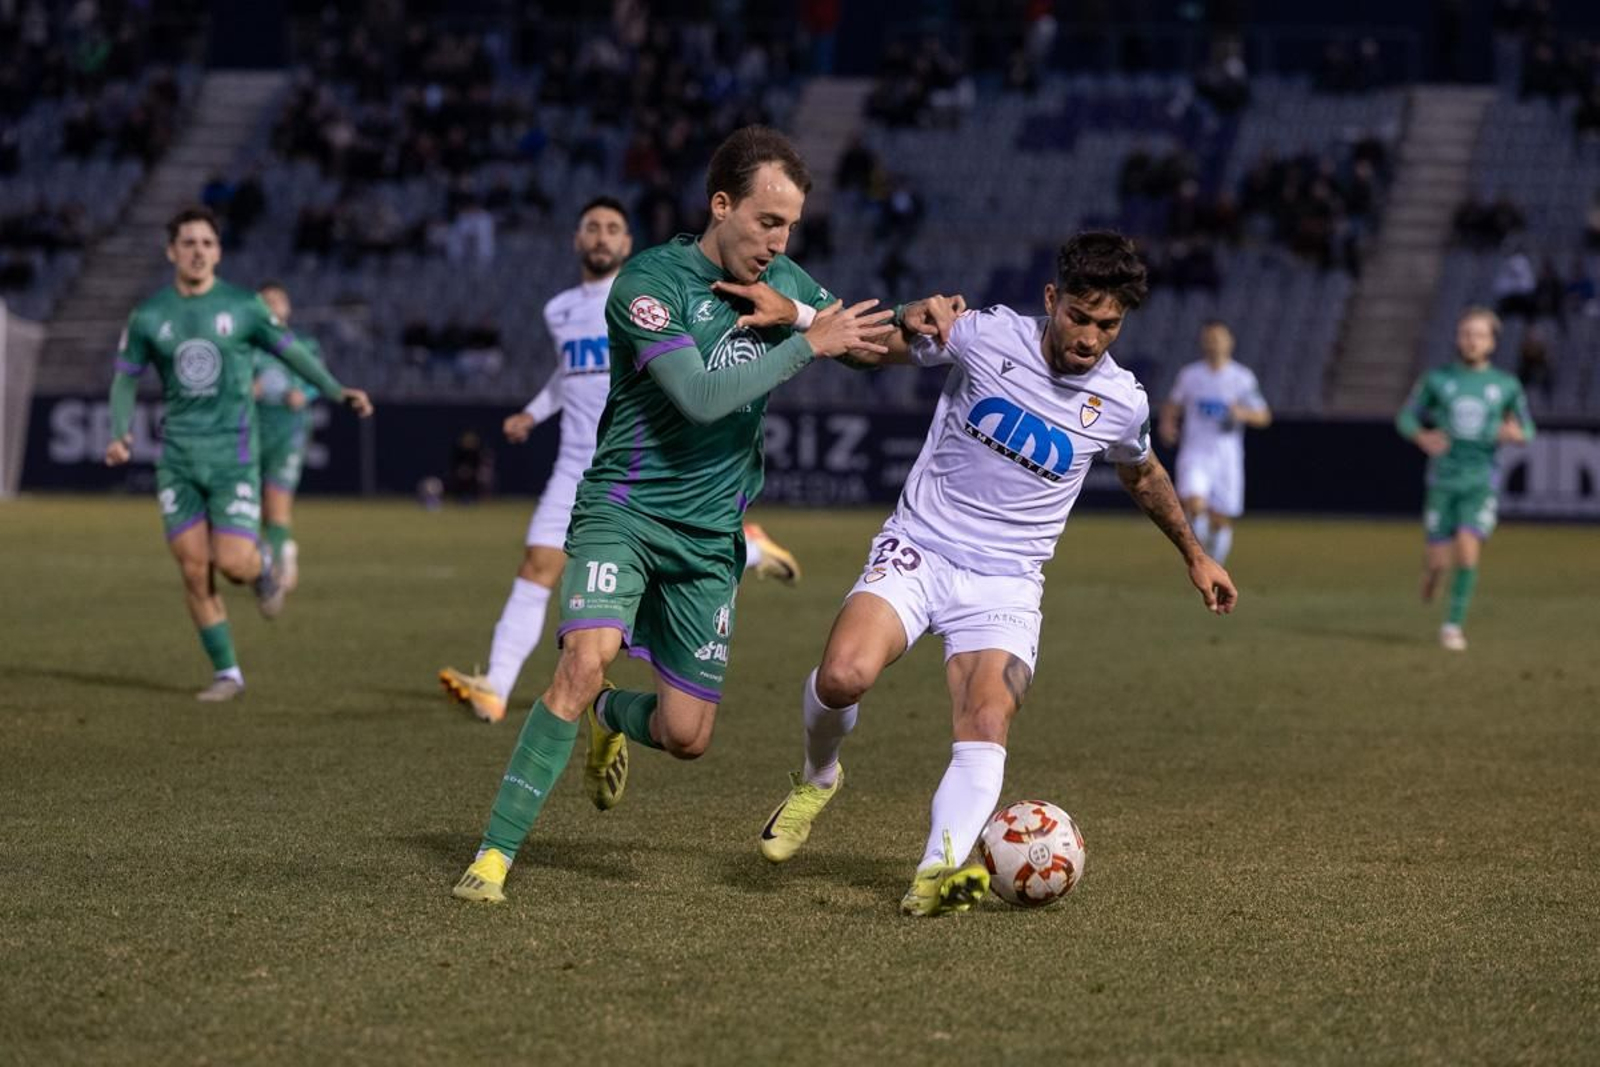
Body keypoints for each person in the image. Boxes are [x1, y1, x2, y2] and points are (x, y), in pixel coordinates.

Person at [452, 125, 911, 904]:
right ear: (721, 205)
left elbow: (866, 339)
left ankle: (608, 714)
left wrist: (922, 320)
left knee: (685, 735)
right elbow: (700, 397)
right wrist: (808, 341)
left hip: (709, 538)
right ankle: (493, 856)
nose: (780, 242)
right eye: (768, 221)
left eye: (792, 226)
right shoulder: (649, 284)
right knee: (582, 659)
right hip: (625, 511)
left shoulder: (784, 279)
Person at [754, 232, 1238, 917]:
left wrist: (1194, 553)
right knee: (842, 677)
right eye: (1079, 316)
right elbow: (871, 352)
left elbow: (1143, 472)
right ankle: (818, 777)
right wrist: (873, 315)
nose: (1090, 338)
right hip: (921, 547)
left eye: (1108, 326)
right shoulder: (984, 335)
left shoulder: (1120, 400)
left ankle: (936, 870)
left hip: (1005, 582)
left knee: (986, 715)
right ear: (1052, 298)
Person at [438, 196, 806, 725]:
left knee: (639, 567)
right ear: (577, 239)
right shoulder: (559, 309)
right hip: (574, 461)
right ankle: (495, 685)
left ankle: (745, 547)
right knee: (536, 564)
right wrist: (533, 413)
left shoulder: (646, 291)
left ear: (628, 242)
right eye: (592, 227)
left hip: (635, 463)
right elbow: (570, 373)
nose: (602, 237)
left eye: (613, 228)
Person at [104, 207, 373, 701]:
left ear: (219, 252)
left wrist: (336, 391)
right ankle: (228, 673)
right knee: (193, 569)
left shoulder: (244, 306)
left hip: (232, 456)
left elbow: (292, 352)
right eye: (189, 243)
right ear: (171, 251)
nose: (198, 251)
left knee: (232, 563)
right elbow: (125, 378)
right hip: (178, 458)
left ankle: (262, 565)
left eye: (207, 243)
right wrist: (120, 433)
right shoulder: (149, 315)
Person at [1395, 307, 1535, 652]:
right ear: (1458, 338)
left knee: (1468, 548)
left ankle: (1452, 626)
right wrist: (1421, 436)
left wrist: (1516, 434)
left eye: (1480, 335)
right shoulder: (1437, 379)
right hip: (1443, 480)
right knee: (1439, 561)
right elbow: (1406, 417)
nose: (1472, 340)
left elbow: (1528, 428)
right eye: (1466, 334)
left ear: (1492, 342)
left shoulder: (1505, 385)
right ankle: (1432, 573)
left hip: (1481, 480)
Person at [1157, 320, 1271, 565]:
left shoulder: (1242, 378)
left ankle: (1214, 565)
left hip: (1227, 457)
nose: (1213, 343)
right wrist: (1167, 424)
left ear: (1229, 342)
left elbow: (1263, 416)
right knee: (1194, 504)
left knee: (1220, 520)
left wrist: (1242, 413)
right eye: (1209, 338)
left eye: (1218, 338)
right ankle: (1199, 560)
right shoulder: (1190, 375)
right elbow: (1173, 405)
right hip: (1195, 452)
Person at [251, 281, 327, 595]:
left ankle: (277, 571)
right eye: (265, 301)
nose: (272, 306)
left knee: (277, 503)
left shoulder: (304, 344)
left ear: (288, 307)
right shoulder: (246, 345)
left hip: (289, 433)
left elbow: (319, 379)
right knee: (255, 509)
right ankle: (279, 551)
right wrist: (245, 389)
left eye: (277, 300)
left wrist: (304, 394)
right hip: (250, 432)